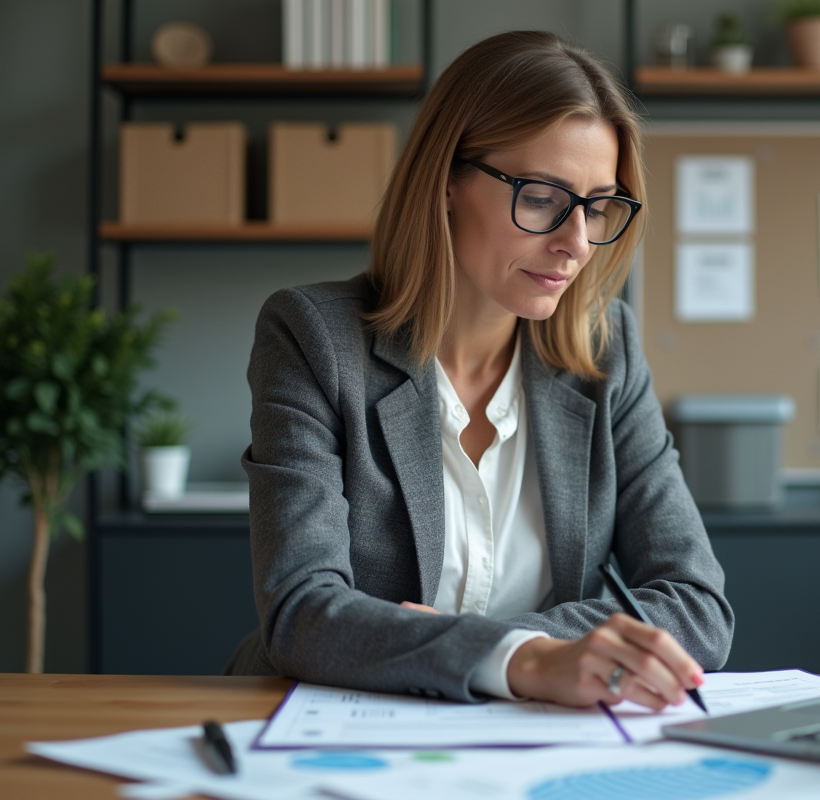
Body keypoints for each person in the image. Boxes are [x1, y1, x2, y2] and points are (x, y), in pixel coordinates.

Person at [227, 31, 733, 711]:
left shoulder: (605, 350)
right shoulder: (314, 338)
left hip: (531, 742)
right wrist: (528, 659)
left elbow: (697, 606)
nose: (576, 242)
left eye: (598, 205)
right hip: (330, 730)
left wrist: (512, 651)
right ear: (445, 182)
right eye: (543, 197)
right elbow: (302, 611)